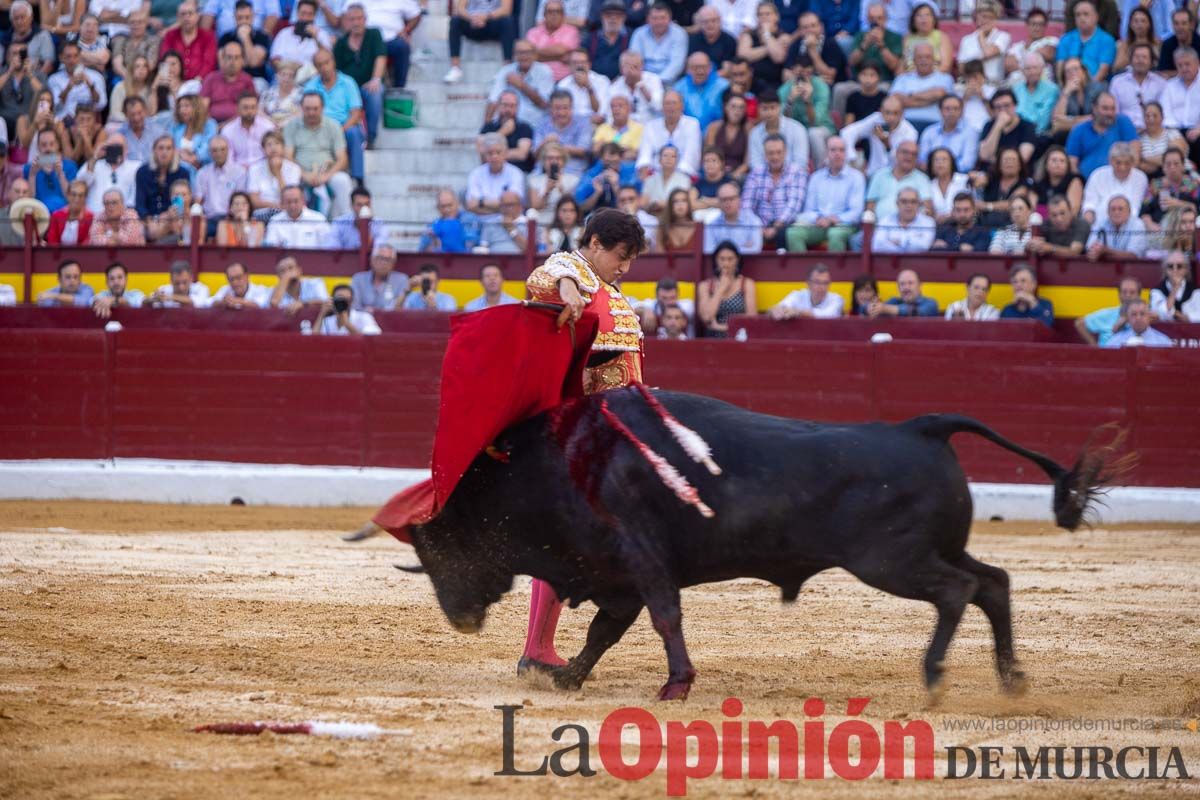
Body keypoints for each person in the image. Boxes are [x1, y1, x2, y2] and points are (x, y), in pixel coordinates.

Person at [284, 91, 353, 218]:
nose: (311, 113)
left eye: (315, 109)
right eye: (307, 109)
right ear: (301, 108)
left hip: (327, 172)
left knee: (342, 180)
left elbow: (342, 159)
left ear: (322, 108)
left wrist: (326, 176)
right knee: (289, 178)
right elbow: (288, 156)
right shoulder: (291, 126)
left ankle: (346, 221)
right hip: (300, 173)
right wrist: (304, 175)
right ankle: (292, 220)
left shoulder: (333, 126)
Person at [304, 50, 367, 186]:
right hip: (319, 128)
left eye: (327, 63)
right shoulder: (311, 86)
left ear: (333, 62)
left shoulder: (348, 82)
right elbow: (306, 112)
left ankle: (358, 179)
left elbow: (356, 114)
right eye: (320, 65)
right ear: (316, 67)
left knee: (354, 133)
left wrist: (339, 130)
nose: (324, 68)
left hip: (344, 127)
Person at [789, 135, 862, 252]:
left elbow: (856, 212)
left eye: (841, 150)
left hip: (844, 225)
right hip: (818, 224)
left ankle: (835, 271)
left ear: (846, 154)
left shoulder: (856, 177)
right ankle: (804, 270)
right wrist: (818, 218)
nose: (837, 154)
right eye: (833, 150)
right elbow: (809, 209)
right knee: (793, 233)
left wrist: (834, 219)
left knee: (835, 234)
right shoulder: (816, 177)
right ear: (826, 153)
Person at [333, 4, 388, 150]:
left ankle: (371, 138)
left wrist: (376, 79)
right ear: (346, 21)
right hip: (347, 88)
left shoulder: (374, 34)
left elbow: (381, 57)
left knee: (375, 92)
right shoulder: (341, 43)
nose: (356, 22)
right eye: (352, 19)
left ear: (365, 19)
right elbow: (336, 71)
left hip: (368, 84)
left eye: (359, 18)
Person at [741, 133, 804, 249]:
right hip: (760, 225)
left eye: (779, 152)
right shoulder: (756, 173)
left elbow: (794, 205)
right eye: (771, 153)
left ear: (785, 152)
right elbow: (746, 205)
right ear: (765, 154)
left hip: (786, 224)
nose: (775, 157)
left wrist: (776, 227)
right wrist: (758, 227)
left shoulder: (796, 172)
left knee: (786, 233)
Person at [1066, 92, 1139, 181]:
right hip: (1087, 183)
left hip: (1121, 180)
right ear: (1094, 108)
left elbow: (1135, 155)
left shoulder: (1123, 122)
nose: (1110, 113)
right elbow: (1072, 163)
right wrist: (1080, 182)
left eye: (1113, 109)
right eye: (1105, 108)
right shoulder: (1079, 130)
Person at [840, 94, 916, 177]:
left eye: (895, 113)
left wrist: (887, 145)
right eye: (887, 112)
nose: (891, 117)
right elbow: (847, 132)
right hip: (873, 174)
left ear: (902, 114)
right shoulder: (876, 120)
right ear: (881, 111)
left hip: (896, 176)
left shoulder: (910, 132)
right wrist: (852, 158)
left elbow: (903, 160)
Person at [443, 0, 517, 84]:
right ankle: (455, 68)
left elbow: (506, 10)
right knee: (455, 21)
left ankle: (506, 68)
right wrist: (472, 18)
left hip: (492, 22)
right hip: (472, 22)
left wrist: (486, 17)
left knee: (508, 21)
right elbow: (460, 9)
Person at [486, 40, 555, 129]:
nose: (523, 56)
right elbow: (493, 99)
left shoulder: (544, 71)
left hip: (534, 124)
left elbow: (545, 105)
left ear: (535, 55)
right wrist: (486, 126)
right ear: (514, 55)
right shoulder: (506, 71)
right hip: (508, 123)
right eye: (519, 53)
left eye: (527, 52)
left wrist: (522, 85)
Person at [780, 53, 834, 165]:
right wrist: (790, 101)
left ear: (812, 72)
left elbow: (815, 122)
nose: (803, 77)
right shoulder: (784, 90)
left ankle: (820, 171)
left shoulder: (821, 87)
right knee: (786, 133)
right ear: (793, 71)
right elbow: (782, 123)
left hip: (822, 128)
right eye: (800, 73)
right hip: (796, 130)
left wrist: (808, 101)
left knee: (813, 133)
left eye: (808, 73)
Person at [697, 240, 755, 337]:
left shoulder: (747, 284)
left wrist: (722, 327)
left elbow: (752, 319)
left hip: (739, 337)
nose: (726, 263)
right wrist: (721, 289)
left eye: (730, 259)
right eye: (722, 259)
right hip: (713, 340)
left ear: (737, 260)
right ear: (716, 260)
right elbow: (706, 317)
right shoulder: (705, 286)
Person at [1082, 143, 1148, 227]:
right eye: (1118, 163)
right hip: (1098, 224)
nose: (1122, 167)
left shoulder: (1140, 177)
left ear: (1133, 162)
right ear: (1110, 161)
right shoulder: (1097, 175)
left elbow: (1135, 207)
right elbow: (1089, 205)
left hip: (1129, 225)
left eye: (1127, 163)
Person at [532, 90, 593, 177]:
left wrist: (556, 145)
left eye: (565, 108)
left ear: (572, 107)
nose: (561, 113)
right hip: (543, 173)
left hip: (572, 172)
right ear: (550, 108)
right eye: (557, 108)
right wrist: (545, 142)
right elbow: (535, 154)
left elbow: (583, 151)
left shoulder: (583, 123)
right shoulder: (542, 124)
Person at [864, 139, 928, 221]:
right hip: (880, 227)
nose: (909, 156)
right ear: (896, 154)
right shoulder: (879, 175)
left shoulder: (923, 179)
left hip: (911, 228)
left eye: (914, 154)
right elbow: (870, 206)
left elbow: (926, 209)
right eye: (905, 152)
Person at [737, 1, 791, 96]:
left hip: (775, 83)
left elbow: (778, 58)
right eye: (760, 14)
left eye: (768, 14)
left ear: (776, 16)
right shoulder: (748, 35)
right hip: (752, 83)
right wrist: (770, 47)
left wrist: (766, 34)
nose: (764, 17)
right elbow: (743, 56)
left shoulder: (784, 36)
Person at [1056, 0, 1116, 83]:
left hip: (1094, 86)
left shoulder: (1107, 40)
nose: (1081, 18)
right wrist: (1062, 87)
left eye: (1086, 14)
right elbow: (1060, 67)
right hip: (1068, 85)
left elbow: (1103, 70)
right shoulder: (1066, 39)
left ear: (1096, 17)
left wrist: (1088, 91)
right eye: (1078, 15)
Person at [1140, 148, 1199, 231]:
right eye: (1168, 164)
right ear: (1163, 167)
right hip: (1159, 230)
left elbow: (1197, 208)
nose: (1172, 167)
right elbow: (1144, 210)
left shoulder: (1191, 184)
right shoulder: (1155, 185)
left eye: (1176, 164)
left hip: (1187, 228)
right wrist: (1150, 224)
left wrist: (1179, 203)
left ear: (1183, 166)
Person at [630, 2, 689, 85]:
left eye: (663, 18)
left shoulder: (679, 34)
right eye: (655, 18)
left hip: (670, 83)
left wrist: (656, 82)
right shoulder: (639, 34)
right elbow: (634, 62)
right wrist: (646, 81)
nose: (659, 22)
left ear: (670, 18)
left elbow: (677, 65)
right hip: (643, 82)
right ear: (648, 19)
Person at [47, 41, 108, 121]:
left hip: (87, 121)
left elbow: (101, 104)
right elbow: (56, 106)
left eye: (76, 56)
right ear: (61, 58)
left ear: (80, 57)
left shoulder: (96, 76)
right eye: (68, 57)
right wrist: (68, 87)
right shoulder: (54, 79)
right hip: (63, 121)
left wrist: (90, 85)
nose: (72, 60)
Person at [977, 89, 1036, 170]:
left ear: (1015, 106)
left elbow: (1023, 158)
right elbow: (984, 155)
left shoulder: (1027, 126)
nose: (1003, 110)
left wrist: (994, 159)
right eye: (998, 107)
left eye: (1007, 105)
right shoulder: (989, 125)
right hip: (990, 173)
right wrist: (998, 126)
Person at [1109, 44, 1163, 133]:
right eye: (1137, 57)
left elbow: (1164, 112)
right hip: (1124, 132)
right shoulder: (1117, 82)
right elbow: (1114, 112)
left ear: (1151, 62)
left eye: (1144, 57)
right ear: (1130, 60)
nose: (1140, 60)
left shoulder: (1160, 83)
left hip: (1153, 132)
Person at [1075, 276, 1144, 345]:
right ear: (1119, 295)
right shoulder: (1108, 314)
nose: (1128, 295)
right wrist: (1094, 346)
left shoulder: (1145, 315)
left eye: (1132, 292)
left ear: (1139, 295)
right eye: (1124, 292)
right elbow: (1080, 323)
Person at [201, 40, 256, 125]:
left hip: (239, 125)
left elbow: (250, 109)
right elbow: (202, 108)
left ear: (242, 60)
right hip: (213, 125)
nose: (232, 61)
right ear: (222, 58)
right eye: (229, 57)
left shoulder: (247, 80)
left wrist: (227, 125)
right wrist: (211, 125)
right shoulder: (211, 79)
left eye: (236, 57)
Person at [976, 146, 1034, 228]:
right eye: (1006, 160)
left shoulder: (1024, 183)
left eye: (1013, 160)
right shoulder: (992, 179)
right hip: (985, 223)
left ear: (1020, 165)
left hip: (1010, 225)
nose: (1009, 163)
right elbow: (977, 183)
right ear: (999, 165)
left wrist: (987, 206)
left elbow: (1012, 203)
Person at [134, 135, 189, 221]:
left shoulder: (182, 173)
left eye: (168, 148)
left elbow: (185, 201)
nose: (164, 152)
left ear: (174, 151)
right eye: (161, 148)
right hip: (149, 219)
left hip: (174, 218)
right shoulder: (142, 172)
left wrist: (169, 215)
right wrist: (151, 220)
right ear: (154, 150)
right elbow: (140, 204)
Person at [161, 0, 218, 80]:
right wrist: (165, 80)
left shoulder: (208, 37)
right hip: (173, 82)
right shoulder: (170, 36)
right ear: (178, 17)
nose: (186, 17)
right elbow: (164, 61)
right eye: (183, 14)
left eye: (190, 13)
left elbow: (209, 63)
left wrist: (196, 82)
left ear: (198, 16)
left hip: (199, 84)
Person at [1161, 47, 1200, 167]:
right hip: (1175, 130)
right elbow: (1165, 111)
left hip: (1198, 129)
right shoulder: (1170, 86)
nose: (1184, 68)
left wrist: (1199, 129)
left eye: (1187, 64)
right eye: (1180, 65)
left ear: (1197, 63)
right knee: (1171, 146)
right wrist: (1176, 133)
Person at [917, 94, 976, 174]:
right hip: (930, 175)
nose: (952, 112)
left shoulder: (969, 133)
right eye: (947, 109)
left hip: (957, 176)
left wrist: (944, 169)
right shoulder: (929, 131)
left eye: (956, 109)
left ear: (962, 111)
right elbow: (922, 159)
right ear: (940, 111)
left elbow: (967, 164)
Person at [215, 2, 271, 84]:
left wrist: (245, 39)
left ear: (253, 17)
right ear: (234, 17)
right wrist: (244, 61)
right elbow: (222, 64)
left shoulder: (262, 37)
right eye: (240, 18)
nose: (244, 21)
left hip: (255, 78)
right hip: (230, 79)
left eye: (247, 17)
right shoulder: (226, 38)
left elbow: (253, 62)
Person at [25, 128, 78, 213]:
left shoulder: (70, 166)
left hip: (63, 215)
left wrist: (61, 174)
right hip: (38, 215)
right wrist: (32, 175)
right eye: (43, 145)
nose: (48, 148)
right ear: (38, 147)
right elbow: (29, 200)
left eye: (51, 144)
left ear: (58, 145)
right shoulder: (29, 168)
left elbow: (71, 199)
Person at [954, 1, 1008, 84]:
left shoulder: (1003, 36)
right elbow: (961, 68)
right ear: (976, 17)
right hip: (971, 83)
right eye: (983, 16)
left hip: (993, 84)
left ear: (996, 19)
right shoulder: (966, 40)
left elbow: (988, 52)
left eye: (991, 17)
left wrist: (981, 35)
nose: (986, 20)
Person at [246, 130, 301, 211]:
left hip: (288, 211)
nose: (273, 148)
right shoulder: (254, 169)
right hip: (263, 211)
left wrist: (278, 174)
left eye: (277, 143)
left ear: (283, 147)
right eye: (269, 144)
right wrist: (276, 206)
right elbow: (254, 201)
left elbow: (290, 198)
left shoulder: (294, 168)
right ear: (263, 149)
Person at [481, 90, 535, 172]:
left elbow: (521, 154)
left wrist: (494, 154)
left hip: (520, 172)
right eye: (505, 105)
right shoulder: (488, 127)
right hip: (493, 173)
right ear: (498, 106)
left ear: (517, 107)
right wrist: (503, 132)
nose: (508, 109)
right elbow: (483, 154)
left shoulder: (525, 127)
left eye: (512, 106)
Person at [527, 0, 580, 84]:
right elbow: (529, 55)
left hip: (564, 80)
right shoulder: (533, 32)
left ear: (563, 15)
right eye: (550, 11)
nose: (554, 15)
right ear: (544, 14)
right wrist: (559, 57)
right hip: (538, 80)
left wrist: (537, 53)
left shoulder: (571, 31)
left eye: (558, 11)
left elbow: (561, 50)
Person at [606, 50, 665, 124]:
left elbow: (659, 107)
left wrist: (641, 86)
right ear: (621, 69)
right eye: (628, 67)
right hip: (626, 131)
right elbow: (610, 117)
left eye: (635, 67)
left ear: (642, 67)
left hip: (650, 128)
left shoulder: (653, 79)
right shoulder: (615, 88)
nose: (632, 71)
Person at [219, 92, 275, 169]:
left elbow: (272, 153)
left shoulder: (268, 127)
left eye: (253, 107)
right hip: (237, 171)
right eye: (245, 107)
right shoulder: (228, 130)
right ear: (238, 109)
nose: (249, 111)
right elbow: (228, 159)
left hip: (263, 170)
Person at [704, 179, 762, 253]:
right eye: (724, 200)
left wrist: (721, 251)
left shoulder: (753, 221)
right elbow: (708, 250)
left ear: (739, 199)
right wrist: (742, 247)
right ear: (718, 202)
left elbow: (755, 250)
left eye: (731, 199)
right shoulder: (711, 225)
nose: (728, 203)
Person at [264, 184, 333, 247]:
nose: (292, 205)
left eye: (296, 201)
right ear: (282, 203)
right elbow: (271, 248)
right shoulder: (275, 221)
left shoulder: (318, 219)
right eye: (288, 202)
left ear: (303, 201)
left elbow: (327, 247)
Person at [269, 0, 334, 66]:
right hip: (286, 72)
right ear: (297, 13)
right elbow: (274, 59)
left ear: (314, 16)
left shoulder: (322, 35)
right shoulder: (284, 33)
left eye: (310, 14)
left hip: (311, 73)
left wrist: (316, 38)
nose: (305, 18)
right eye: (303, 13)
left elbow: (327, 60)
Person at [871, 186, 934, 253]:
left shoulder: (928, 222)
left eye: (913, 202)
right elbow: (877, 246)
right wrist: (908, 245)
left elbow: (923, 246)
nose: (909, 205)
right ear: (897, 204)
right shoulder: (885, 220)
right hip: (890, 262)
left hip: (917, 262)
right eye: (904, 201)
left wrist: (899, 241)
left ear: (918, 204)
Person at [704, 93, 751, 180]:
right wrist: (719, 172)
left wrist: (735, 174)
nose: (737, 111)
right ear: (726, 108)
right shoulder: (714, 128)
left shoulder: (748, 130)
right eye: (733, 106)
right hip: (715, 171)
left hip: (738, 174)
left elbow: (747, 162)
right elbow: (710, 155)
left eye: (741, 107)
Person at [770, 262, 843, 318]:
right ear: (808, 283)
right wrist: (777, 310)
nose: (822, 287)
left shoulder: (836, 299)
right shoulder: (797, 295)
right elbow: (779, 307)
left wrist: (799, 312)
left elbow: (828, 315)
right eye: (817, 282)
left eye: (825, 283)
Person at [1028, 193, 1091, 258]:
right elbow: (1033, 245)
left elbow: (1074, 252)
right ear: (1049, 216)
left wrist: (1050, 248)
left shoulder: (1081, 224)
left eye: (1062, 213)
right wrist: (1032, 245)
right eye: (1054, 215)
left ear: (1071, 212)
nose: (1059, 219)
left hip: (1077, 266)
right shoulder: (1045, 225)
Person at [1011, 53, 1059, 137]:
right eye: (1028, 69)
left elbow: (1044, 121)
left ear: (1042, 69)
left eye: (1035, 68)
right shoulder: (1016, 89)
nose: (1032, 72)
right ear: (1022, 71)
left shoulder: (1052, 90)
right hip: (1017, 134)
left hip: (1040, 135)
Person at [172, 82, 218, 169]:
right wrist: (185, 157)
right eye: (180, 106)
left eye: (186, 106)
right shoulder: (175, 126)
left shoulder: (210, 125)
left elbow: (208, 149)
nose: (182, 110)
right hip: (178, 166)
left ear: (196, 107)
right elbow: (170, 147)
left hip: (203, 167)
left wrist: (194, 158)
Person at [420, 188, 481, 252]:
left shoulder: (470, 220)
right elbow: (423, 253)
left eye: (450, 205)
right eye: (443, 206)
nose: (447, 210)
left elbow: (480, 245)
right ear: (437, 207)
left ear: (457, 204)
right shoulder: (432, 226)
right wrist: (434, 242)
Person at [1086, 195, 1147, 259]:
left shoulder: (1137, 224)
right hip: (1104, 267)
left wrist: (1106, 251)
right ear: (1107, 212)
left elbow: (1133, 255)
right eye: (1113, 209)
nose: (1116, 212)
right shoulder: (1100, 224)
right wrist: (1096, 251)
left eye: (1120, 209)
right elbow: (1090, 249)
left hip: (1132, 268)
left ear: (1129, 212)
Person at [639, 143, 693, 214]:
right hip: (652, 214)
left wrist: (662, 204)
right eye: (665, 155)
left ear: (677, 160)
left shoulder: (685, 179)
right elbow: (643, 203)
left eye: (673, 156)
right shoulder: (650, 180)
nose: (669, 158)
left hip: (674, 215)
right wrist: (653, 206)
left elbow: (683, 202)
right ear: (659, 160)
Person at [1138, 102, 1187, 178]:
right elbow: (1139, 165)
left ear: (1162, 117)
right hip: (1154, 180)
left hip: (1183, 176)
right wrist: (1159, 162)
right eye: (1147, 116)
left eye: (1155, 115)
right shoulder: (1139, 138)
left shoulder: (1172, 133)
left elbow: (1174, 159)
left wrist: (1145, 158)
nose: (1151, 119)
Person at [1032, 145, 1084, 217]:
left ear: (1067, 165)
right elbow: (1031, 209)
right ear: (1046, 164)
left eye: (1062, 161)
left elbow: (1073, 211)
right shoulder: (1039, 184)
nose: (1058, 163)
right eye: (1054, 160)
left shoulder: (1074, 181)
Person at [586, 0, 631, 81]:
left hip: (622, 83)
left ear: (624, 17)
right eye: (608, 15)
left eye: (618, 15)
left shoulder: (631, 37)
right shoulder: (590, 39)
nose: (613, 19)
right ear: (601, 16)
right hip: (595, 82)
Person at [591, 94, 642, 162]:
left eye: (620, 106)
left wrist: (607, 149)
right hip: (604, 164)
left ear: (629, 109)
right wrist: (623, 149)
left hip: (627, 165)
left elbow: (636, 153)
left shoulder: (639, 128)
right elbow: (596, 149)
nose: (616, 109)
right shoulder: (603, 128)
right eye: (613, 106)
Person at [315, 283, 382, 335]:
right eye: (339, 299)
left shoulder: (364, 317)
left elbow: (371, 340)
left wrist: (347, 323)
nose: (342, 303)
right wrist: (322, 314)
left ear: (352, 301)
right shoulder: (328, 321)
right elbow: (313, 340)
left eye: (346, 300)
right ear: (333, 300)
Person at [1103, 298, 1175, 346]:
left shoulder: (1164, 343)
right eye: (1134, 314)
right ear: (1128, 318)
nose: (1138, 318)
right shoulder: (1114, 342)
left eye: (1142, 314)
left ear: (1149, 316)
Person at [689, 6, 738, 76]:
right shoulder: (693, 40)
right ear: (700, 24)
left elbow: (726, 70)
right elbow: (689, 67)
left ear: (720, 21)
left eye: (713, 20)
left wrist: (708, 79)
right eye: (705, 22)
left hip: (720, 80)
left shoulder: (729, 41)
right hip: (696, 79)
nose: (710, 25)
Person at [1149, 251, 1197, 320]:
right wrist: (1175, 288)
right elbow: (1161, 313)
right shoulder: (1156, 291)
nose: (1175, 270)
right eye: (1170, 266)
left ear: (1186, 269)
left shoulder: (1196, 291)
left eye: (1179, 266)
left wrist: (1187, 317)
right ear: (1165, 270)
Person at [926, 147, 968, 224]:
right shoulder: (928, 185)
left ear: (952, 163)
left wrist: (951, 216)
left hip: (961, 224)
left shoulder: (964, 180)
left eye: (944, 159)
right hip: (935, 225)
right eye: (936, 160)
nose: (940, 163)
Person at [1113, 5, 1159, 73]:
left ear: (1149, 24)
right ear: (1131, 24)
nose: (1139, 24)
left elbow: (1161, 66)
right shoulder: (1125, 44)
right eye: (1136, 21)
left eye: (1143, 21)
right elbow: (1116, 67)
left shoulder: (1157, 43)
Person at [46, 180, 92, 244]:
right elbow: (52, 241)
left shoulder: (91, 217)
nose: (77, 199)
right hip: (58, 253)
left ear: (85, 197)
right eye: (73, 194)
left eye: (81, 195)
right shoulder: (57, 215)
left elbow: (87, 243)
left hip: (82, 253)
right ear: (68, 195)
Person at [1158, 6, 1200, 75]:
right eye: (1176, 23)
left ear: (1191, 25)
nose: (1180, 27)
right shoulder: (1167, 44)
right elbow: (1162, 73)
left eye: (1184, 23)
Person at [654, 187, 696, 252]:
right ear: (670, 205)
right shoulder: (662, 228)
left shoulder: (698, 227)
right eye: (675, 201)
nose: (680, 204)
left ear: (689, 204)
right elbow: (659, 257)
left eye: (684, 200)